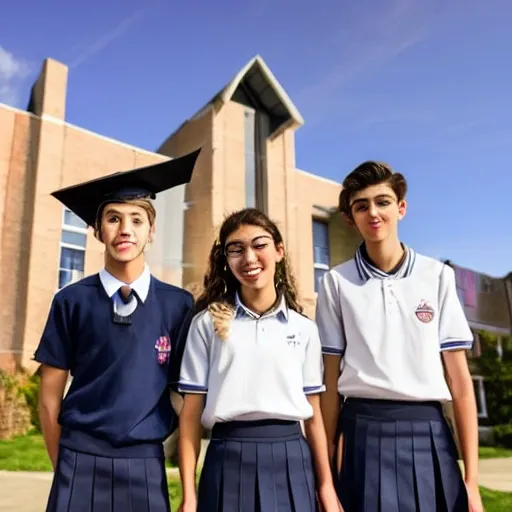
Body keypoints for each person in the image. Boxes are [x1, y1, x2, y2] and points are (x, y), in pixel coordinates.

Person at [34, 149, 201, 512]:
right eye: (113, 218)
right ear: (97, 230)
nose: (125, 229)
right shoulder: (71, 301)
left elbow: (185, 401)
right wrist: (62, 463)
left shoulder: (177, 306)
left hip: (144, 463)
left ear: (151, 231)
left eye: (137, 220)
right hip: (78, 458)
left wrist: (189, 491)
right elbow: (49, 399)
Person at [317, 161, 484, 512]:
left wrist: (471, 480)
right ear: (350, 218)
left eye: (383, 202)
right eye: (361, 206)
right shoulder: (335, 282)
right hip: (361, 431)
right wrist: (328, 472)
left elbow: (460, 381)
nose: (373, 213)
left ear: (401, 208)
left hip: (428, 430)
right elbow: (328, 382)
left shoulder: (437, 276)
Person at [177, 208, 342, 512]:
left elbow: (314, 415)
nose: (249, 258)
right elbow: (190, 416)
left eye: (259, 245)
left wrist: (326, 486)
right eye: (236, 249)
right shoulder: (206, 324)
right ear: (225, 260)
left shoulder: (304, 328)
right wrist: (189, 494)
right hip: (227, 459)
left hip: (292, 460)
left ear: (279, 250)